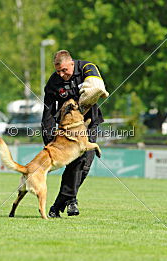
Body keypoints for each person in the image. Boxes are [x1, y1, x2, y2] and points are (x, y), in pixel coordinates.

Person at [42, 50, 106, 218]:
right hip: (67, 130)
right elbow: (48, 112)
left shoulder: (86, 68)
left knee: (85, 166)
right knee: (76, 164)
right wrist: (48, 139)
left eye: (65, 70)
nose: (62, 74)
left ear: (72, 63)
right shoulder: (53, 82)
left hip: (89, 123)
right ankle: (68, 203)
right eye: (58, 71)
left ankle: (62, 203)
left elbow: (97, 87)